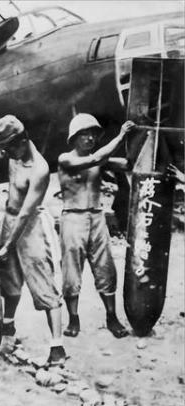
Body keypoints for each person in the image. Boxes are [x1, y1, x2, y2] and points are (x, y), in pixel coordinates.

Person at [0, 115, 66, 366]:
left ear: (23, 141)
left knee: (43, 284)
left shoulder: (40, 168)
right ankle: (8, 325)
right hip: (9, 220)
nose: (8, 152)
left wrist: (7, 245)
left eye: (11, 147)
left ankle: (57, 346)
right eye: (5, 148)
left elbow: (26, 212)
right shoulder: (14, 155)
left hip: (30, 226)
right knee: (10, 280)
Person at [58, 113, 135, 338]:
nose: (90, 138)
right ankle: (73, 319)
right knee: (71, 271)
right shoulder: (66, 159)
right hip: (73, 218)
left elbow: (127, 163)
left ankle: (112, 317)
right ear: (74, 138)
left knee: (106, 268)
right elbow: (93, 160)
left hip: (97, 217)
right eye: (84, 134)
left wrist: (135, 138)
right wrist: (121, 135)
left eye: (93, 134)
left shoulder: (100, 159)